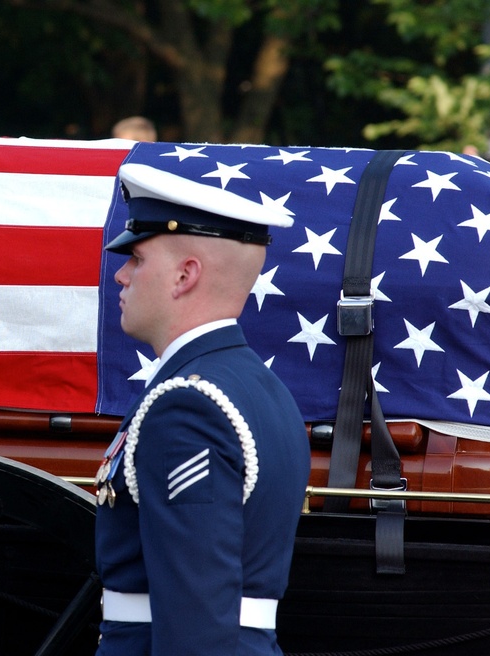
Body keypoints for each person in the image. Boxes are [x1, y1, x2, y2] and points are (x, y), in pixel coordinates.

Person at [95, 163, 311, 656]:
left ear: (184, 274)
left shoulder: (187, 406)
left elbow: (195, 613)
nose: (121, 274)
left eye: (137, 258)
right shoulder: (259, 388)